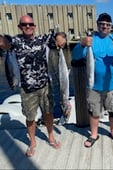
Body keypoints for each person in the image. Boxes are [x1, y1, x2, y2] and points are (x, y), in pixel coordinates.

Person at [0, 15, 66, 157]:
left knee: (48, 113)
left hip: (45, 86)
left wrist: (61, 37)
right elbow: (4, 42)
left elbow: (58, 36)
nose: (28, 26)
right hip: (27, 89)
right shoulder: (16, 41)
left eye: (30, 24)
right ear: (20, 27)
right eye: (24, 24)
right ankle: (33, 142)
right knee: (30, 117)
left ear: (34, 26)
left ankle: (51, 137)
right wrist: (2, 41)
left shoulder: (42, 40)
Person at [72, 13, 113, 147]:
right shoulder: (91, 40)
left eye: (107, 24)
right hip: (93, 85)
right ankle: (94, 134)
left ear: (111, 26)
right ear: (97, 25)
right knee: (94, 111)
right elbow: (75, 56)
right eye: (101, 24)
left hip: (112, 84)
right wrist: (81, 45)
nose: (104, 26)